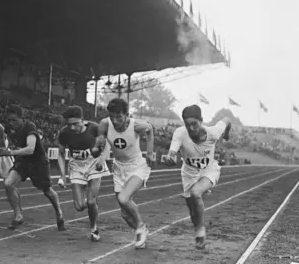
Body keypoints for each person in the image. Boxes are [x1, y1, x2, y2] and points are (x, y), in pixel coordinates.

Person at [163, 104, 231, 249]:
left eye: (194, 124)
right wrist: (170, 157)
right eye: (188, 125)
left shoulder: (213, 132)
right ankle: (197, 227)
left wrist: (227, 134)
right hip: (189, 173)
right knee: (192, 211)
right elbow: (172, 150)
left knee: (196, 193)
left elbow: (226, 119)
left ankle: (201, 230)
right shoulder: (181, 133)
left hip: (209, 170)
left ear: (201, 121)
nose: (192, 128)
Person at [91, 98, 154, 249]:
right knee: (125, 215)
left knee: (124, 198)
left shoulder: (136, 125)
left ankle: (140, 225)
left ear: (126, 114)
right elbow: (100, 142)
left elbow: (150, 130)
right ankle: (142, 229)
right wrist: (97, 152)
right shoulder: (105, 124)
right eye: (112, 116)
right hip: (119, 168)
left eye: (118, 116)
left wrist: (150, 153)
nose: (115, 120)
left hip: (137, 166)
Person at [0, 104, 66, 231]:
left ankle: (59, 213)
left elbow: (30, 149)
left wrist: (11, 152)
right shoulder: (8, 129)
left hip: (38, 162)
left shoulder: (29, 127)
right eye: (9, 120)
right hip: (23, 161)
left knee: (47, 191)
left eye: (14, 120)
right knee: (8, 184)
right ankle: (18, 216)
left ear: (21, 118)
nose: (11, 123)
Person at [57, 105, 111, 241]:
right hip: (76, 166)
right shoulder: (64, 133)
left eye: (75, 124)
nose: (72, 128)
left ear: (83, 120)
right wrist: (62, 176)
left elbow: (106, 145)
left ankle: (94, 228)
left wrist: (101, 158)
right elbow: (61, 154)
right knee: (79, 206)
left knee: (91, 201)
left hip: (94, 163)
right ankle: (91, 203)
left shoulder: (94, 128)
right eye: (69, 125)